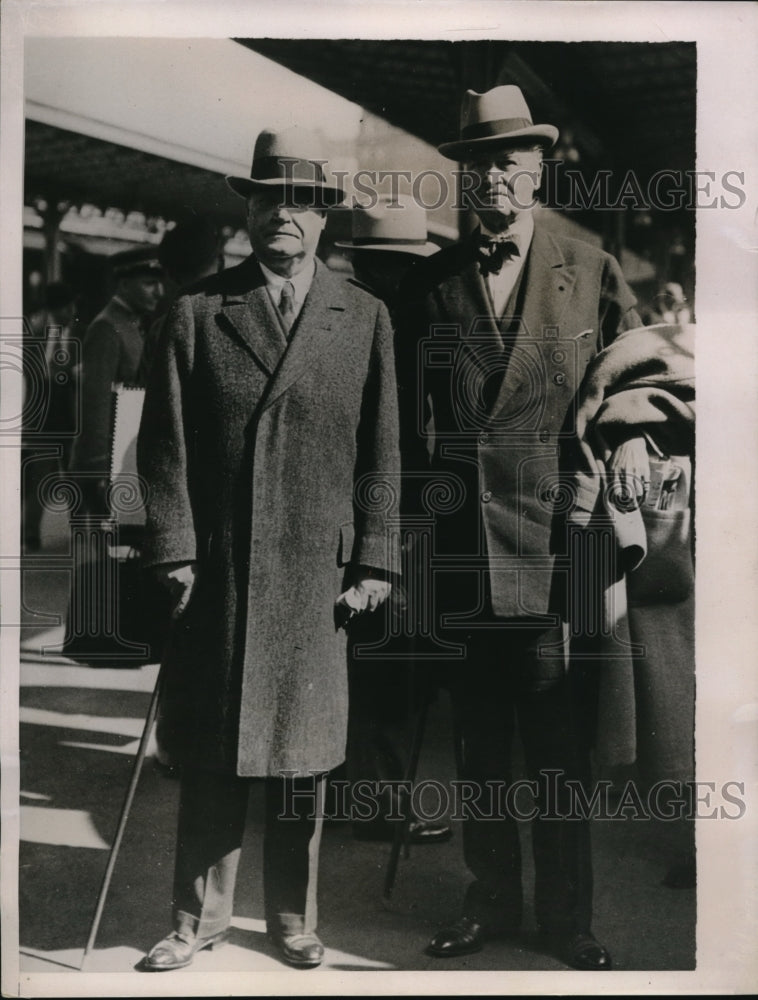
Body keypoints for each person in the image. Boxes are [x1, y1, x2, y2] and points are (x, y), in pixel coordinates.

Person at [137, 125, 401, 971]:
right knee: (216, 750)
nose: (283, 214)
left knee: (301, 761)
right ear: (247, 211)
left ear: (325, 220)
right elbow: (164, 449)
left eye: (302, 202)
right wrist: (174, 549)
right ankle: (196, 920)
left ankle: (292, 917)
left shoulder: (362, 317)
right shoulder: (196, 313)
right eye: (267, 198)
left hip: (316, 575)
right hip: (221, 569)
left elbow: (382, 452)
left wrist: (376, 560)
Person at [394, 85, 641, 970]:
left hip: (556, 547)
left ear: (539, 169)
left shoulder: (592, 268)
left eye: (511, 159)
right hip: (463, 557)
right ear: (462, 178)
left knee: (558, 750)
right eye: (478, 162)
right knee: (481, 747)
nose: (495, 176)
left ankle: (567, 917)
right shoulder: (426, 285)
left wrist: (634, 450)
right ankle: (489, 899)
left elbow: (638, 385)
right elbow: (402, 437)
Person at [333, 196, 450, 844]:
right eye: (404, 267)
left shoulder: (339, 313)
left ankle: (350, 789)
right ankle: (378, 803)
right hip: (398, 514)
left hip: (354, 511)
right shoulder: (396, 321)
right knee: (392, 663)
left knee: (361, 653)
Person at [71, 246, 164, 515]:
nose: (158, 291)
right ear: (123, 284)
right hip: (105, 465)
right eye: (149, 283)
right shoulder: (106, 327)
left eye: (159, 283)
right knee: (107, 551)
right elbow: (95, 402)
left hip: (120, 457)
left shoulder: (131, 324)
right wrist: (100, 467)